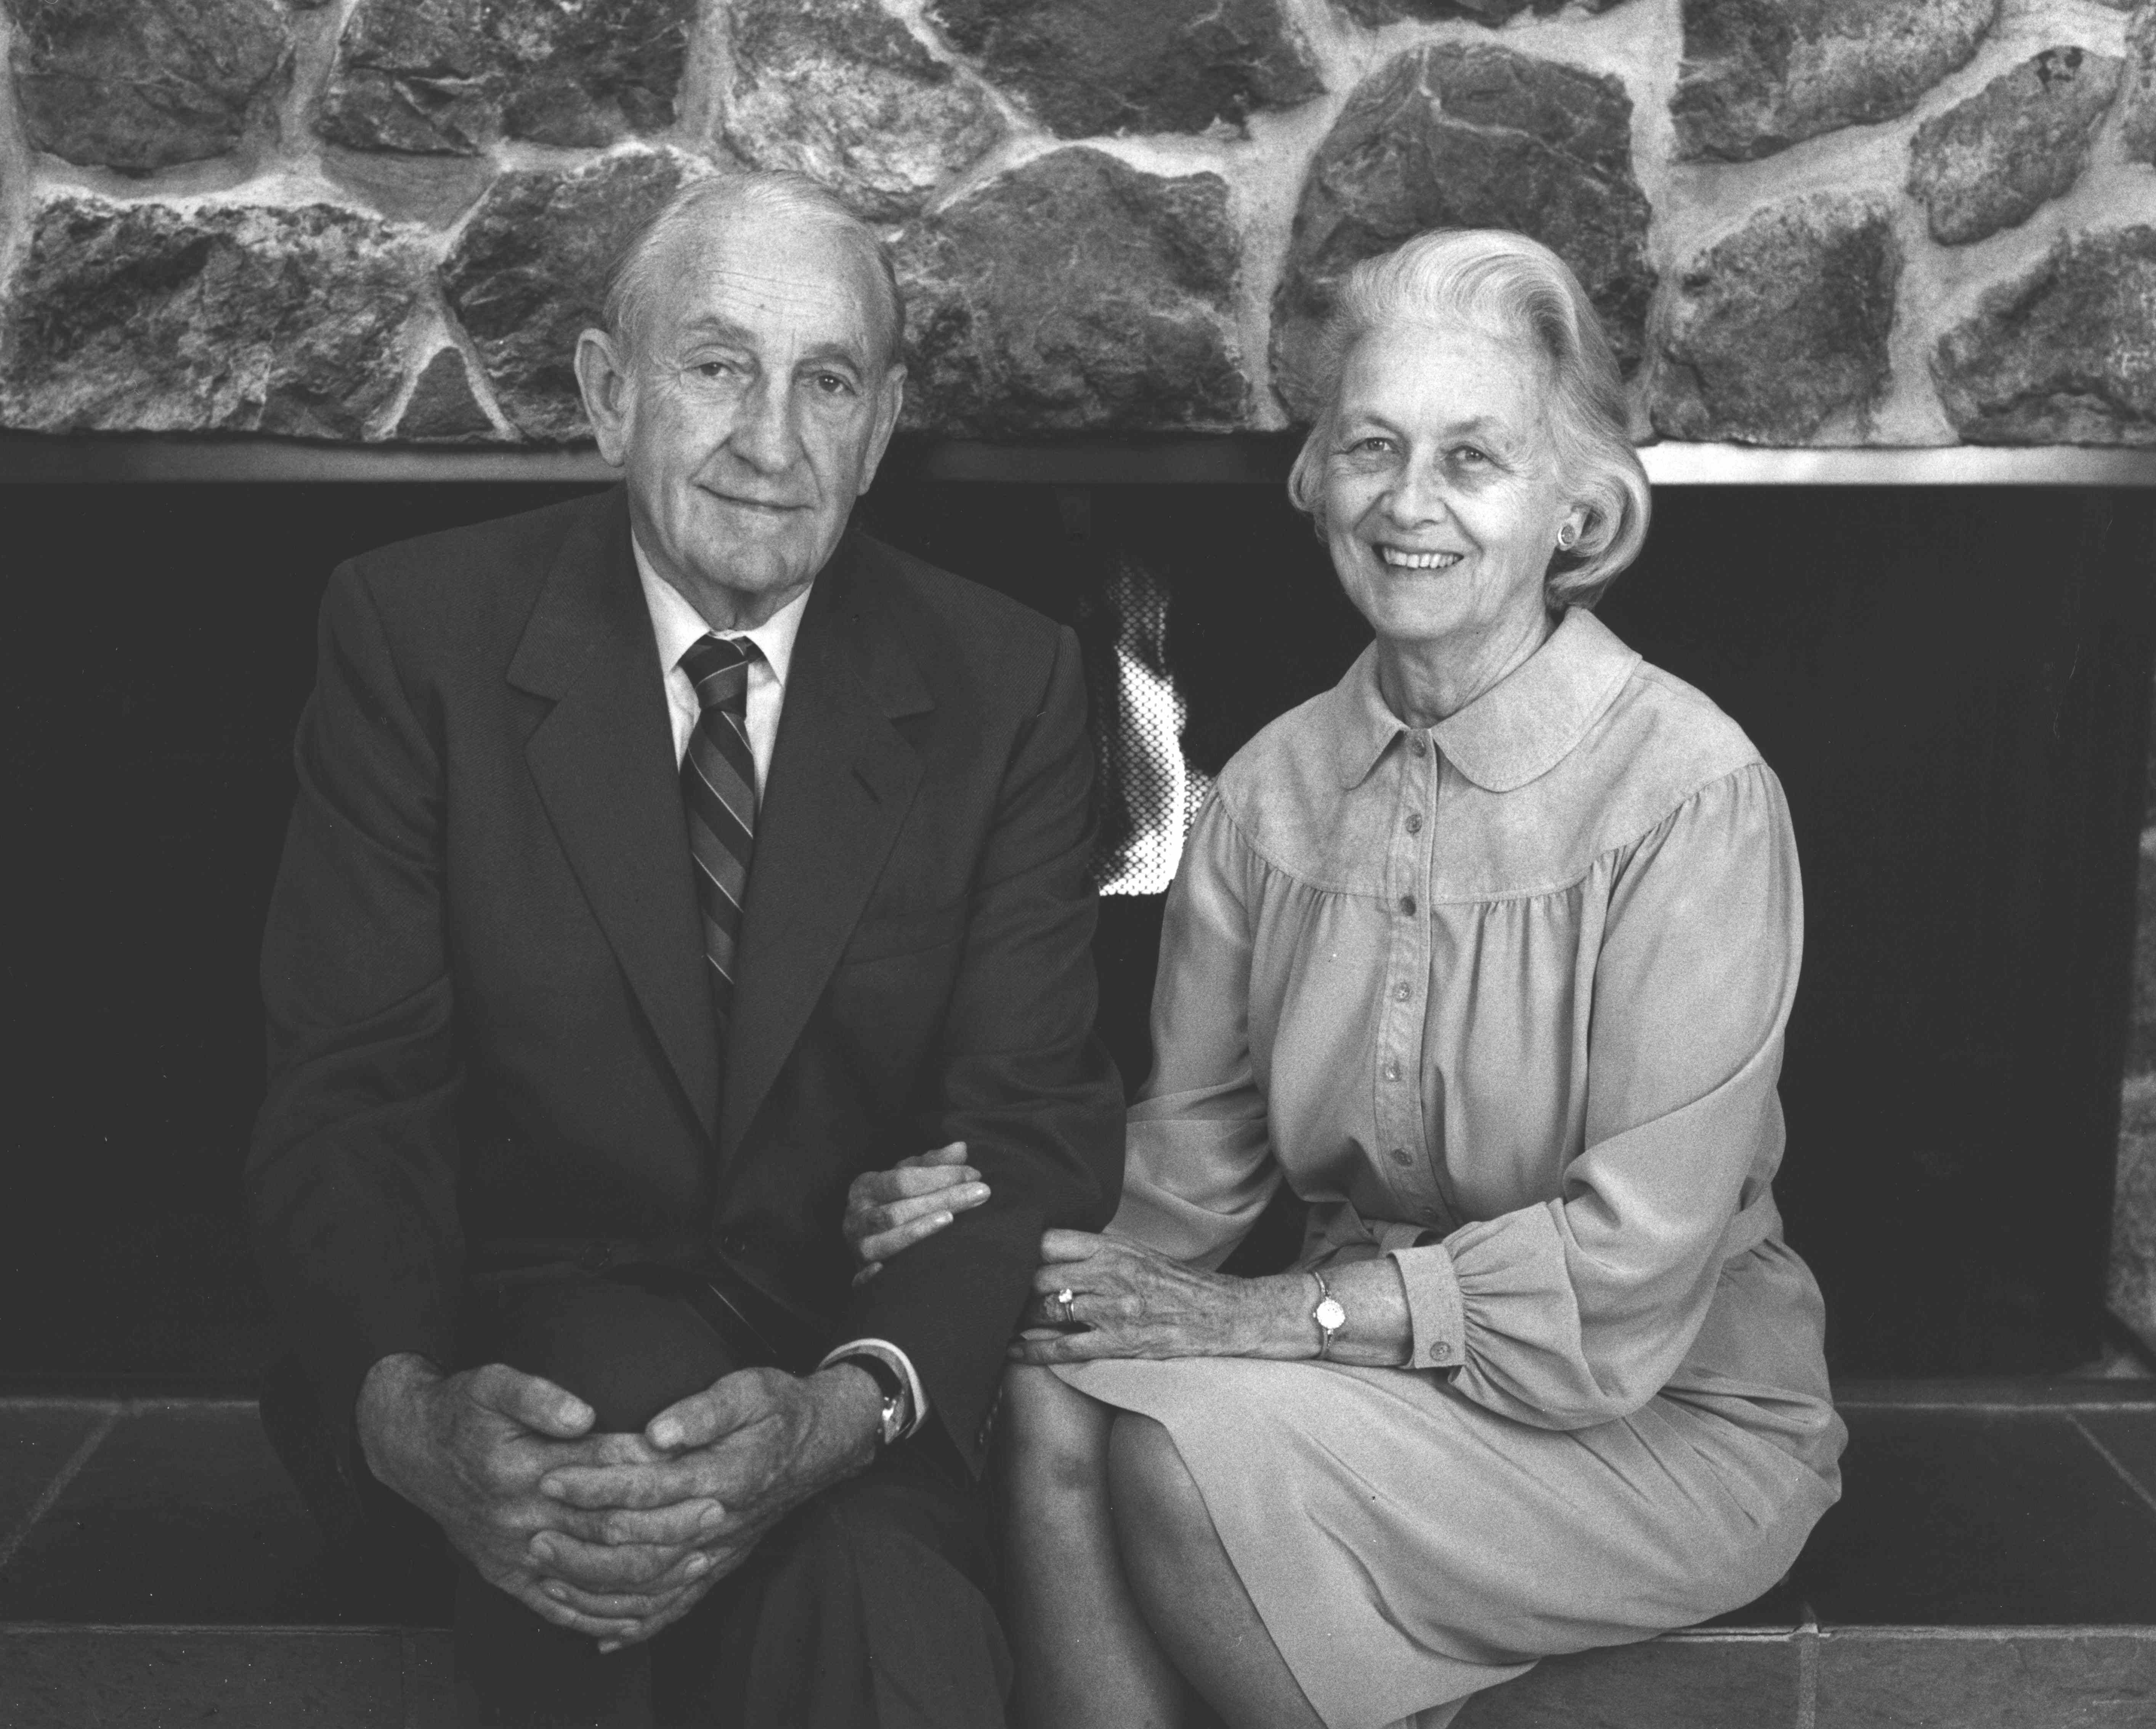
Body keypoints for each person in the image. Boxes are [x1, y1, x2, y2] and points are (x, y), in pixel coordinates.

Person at [844, 228, 1846, 1729]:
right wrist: (974, 1231)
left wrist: (1281, 1326)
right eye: (1370, 447)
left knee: (1182, 1449)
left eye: (1472, 458)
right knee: (1054, 1389)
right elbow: (1177, 1188)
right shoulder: (1267, 795)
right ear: (1317, 480)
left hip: (1654, 1404)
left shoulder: (1687, 797)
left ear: (1576, 503)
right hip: (1360, 1378)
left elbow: (1631, 1271)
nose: (1407, 502)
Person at [246, 170, 1124, 1729]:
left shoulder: (1010, 688)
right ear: (607, 393)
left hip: (840, 1370)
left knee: (883, 1610)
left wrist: (851, 1407)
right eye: (718, 366)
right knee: (618, 1492)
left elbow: (1033, 1128)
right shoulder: (415, 643)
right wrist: (406, 1417)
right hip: (525, 1385)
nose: (772, 442)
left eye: (827, 383)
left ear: (884, 420)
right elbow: (351, 1094)